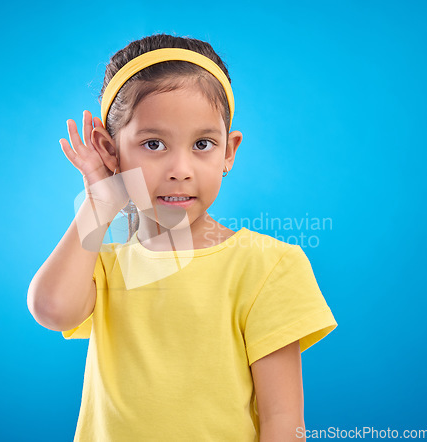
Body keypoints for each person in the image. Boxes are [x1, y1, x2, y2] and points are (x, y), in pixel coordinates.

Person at [27, 33, 338, 442]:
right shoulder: (103, 257)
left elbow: (284, 421)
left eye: (203, 144)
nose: (180, 168)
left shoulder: (268, 265)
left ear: (229, 151)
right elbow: (52, 309)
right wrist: (101, 199)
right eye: (153, 144)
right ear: (108, 148)